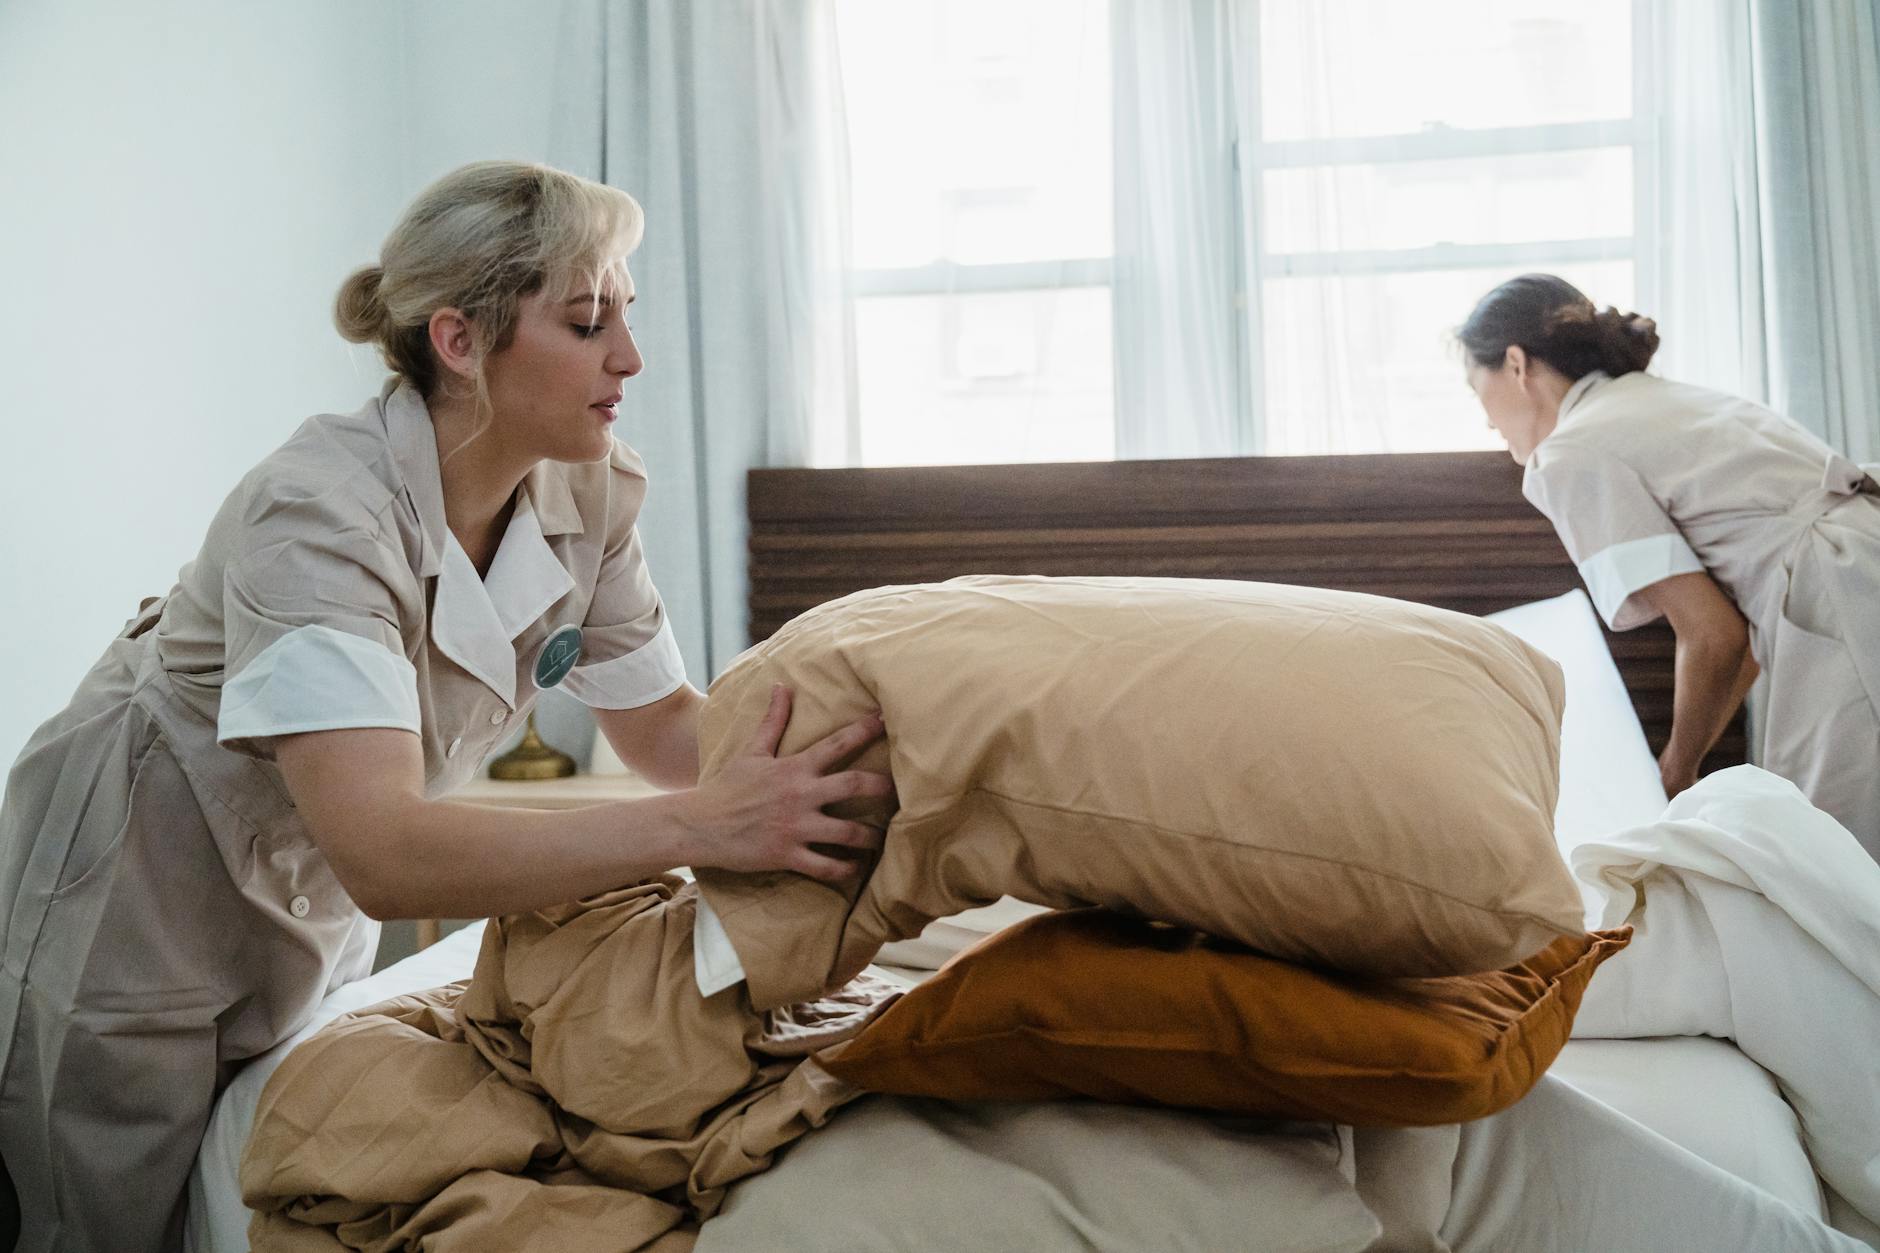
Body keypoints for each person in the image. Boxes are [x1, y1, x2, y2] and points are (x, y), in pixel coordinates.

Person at [0, 160, 893, 1253]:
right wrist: (705, 824)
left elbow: (664, 729)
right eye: (584, 321)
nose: (630, 357)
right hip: (135, 880)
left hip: (301, 879)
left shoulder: (590, 487)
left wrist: (845, 770)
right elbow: (385, 849)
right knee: (93, 1215)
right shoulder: (319, 512)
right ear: (459, 341)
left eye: (626, 313)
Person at [1459, 273, 1880, 858]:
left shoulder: (1570, 452)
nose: (1484, 419)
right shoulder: (1656, 398)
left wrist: (1674, 772)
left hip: (1847, 604)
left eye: (1475, 388)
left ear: (1515, 365)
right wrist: (1688, 756)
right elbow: (1736, 638)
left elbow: (1712, 634)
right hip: (1857, 569)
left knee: (1841, 869)